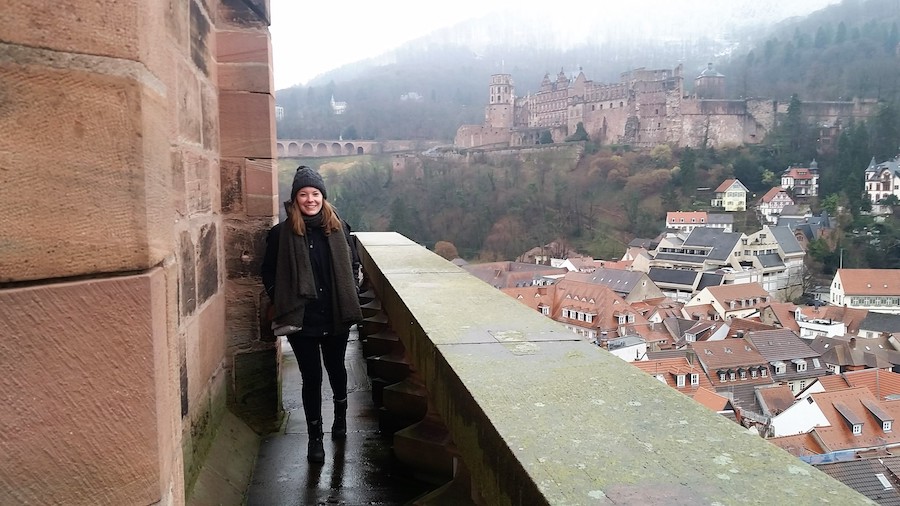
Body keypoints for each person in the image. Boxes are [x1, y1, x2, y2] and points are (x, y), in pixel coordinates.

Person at [261, 165, 363, 464]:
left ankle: (340, 417)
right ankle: (315, 437)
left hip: (335, 315)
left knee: (336, 370)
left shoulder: (338, 226)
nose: (310, 199)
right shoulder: (282, 233)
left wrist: (351, 293)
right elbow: (267, 270)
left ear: (323, 197)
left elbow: (353, 261)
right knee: (311, 378)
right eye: (303, 194)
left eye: (315, 194)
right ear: (295, 199)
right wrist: (279, 298)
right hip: (301, 319)